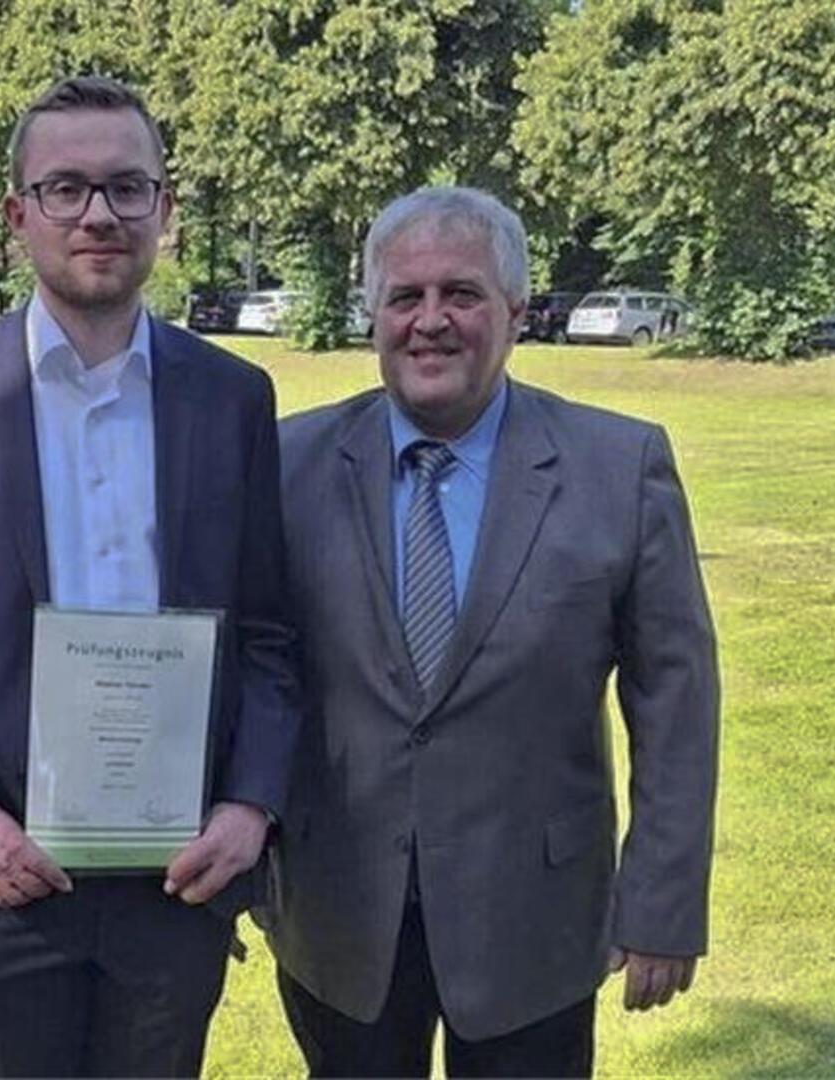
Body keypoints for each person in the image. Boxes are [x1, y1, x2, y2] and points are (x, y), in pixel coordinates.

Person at [0, 75, 299, 1077]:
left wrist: (250, 807)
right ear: (20, 215)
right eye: (66, 189)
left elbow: (270, 633)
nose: (98, 213)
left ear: (164, 211)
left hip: (174, 886)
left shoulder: (232, 399)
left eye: (126, 187)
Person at [264, 187, 721, 1078]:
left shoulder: (618, 469)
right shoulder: (287, 465)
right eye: (405, 297)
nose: (430, 321)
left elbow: (677, 698)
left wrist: (664, 901)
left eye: (461, 294)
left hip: (533, 923)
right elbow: (248, 670)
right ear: (373, 317)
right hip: (338, 915)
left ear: (515, 311)